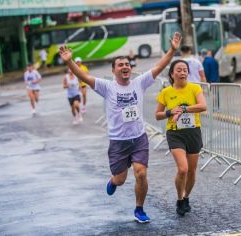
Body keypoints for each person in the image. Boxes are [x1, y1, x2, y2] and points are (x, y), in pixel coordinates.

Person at [59, 32, 182, 223]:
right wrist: (69, 62)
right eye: (120, 65)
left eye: (127, 64)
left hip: (139, 138)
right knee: (120, 180)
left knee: (141, 173)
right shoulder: (106, 86)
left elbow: (159, 67)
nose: (125, 67)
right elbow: (84, 76)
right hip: (118, 142)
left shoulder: (139, 83)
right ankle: (113, 180)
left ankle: (139, 209)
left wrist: (173, 50)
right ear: (114, 70)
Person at [155, 59, 207, 216]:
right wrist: (170, 112)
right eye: (179, 70)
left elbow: (203, 106)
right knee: (183, 169)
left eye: (185, 69)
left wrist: (183, 109)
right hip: (175, 132)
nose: (183, 72)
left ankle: (186, 197)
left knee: (191, 171)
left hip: (193, 131)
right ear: (172, 73)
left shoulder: (195, 88)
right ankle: (179, 199)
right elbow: (157, 115)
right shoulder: (166, 92)